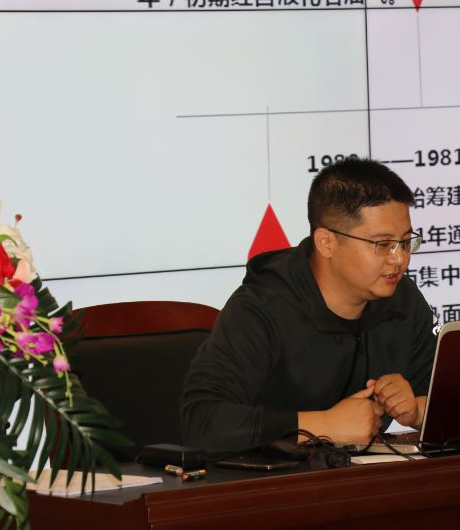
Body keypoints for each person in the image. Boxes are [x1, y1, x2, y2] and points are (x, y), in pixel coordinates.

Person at [180, 158, 438, 451]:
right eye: (382, 244)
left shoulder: (402, 299)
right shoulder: (262, 308)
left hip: (364, 475)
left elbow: (457, 399)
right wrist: (325, 426)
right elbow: (201, 422)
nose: (400, 258)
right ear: (326, 243)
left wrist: (418, 411)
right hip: (269, 475)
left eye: (405, 242)